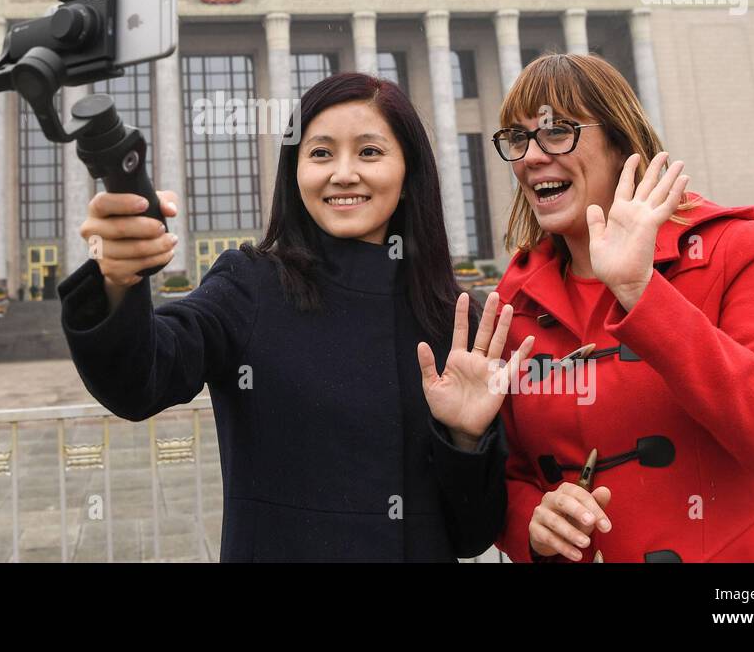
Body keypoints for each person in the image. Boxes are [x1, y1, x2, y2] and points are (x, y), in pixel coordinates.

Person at [57, 73, 533, 561]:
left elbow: (473, 534)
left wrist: (466, 438)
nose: (343, 173)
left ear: (410, 176)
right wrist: (117, 281)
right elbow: (140, 381)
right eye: (321, 153)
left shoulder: (452, 321)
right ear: (295, 172)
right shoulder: (251, 287)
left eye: (369, 152)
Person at [490, 54, 754, 562]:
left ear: (621, 141)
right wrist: (533, 522)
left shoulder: (733, 250)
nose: (531, 157)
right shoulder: (515, 299)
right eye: (517, 138)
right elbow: (512, 473)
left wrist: (644, 294)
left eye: (557, 132)